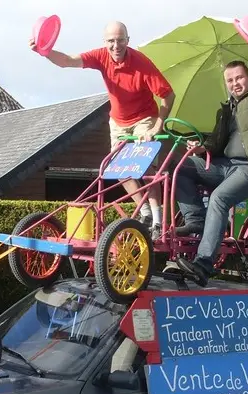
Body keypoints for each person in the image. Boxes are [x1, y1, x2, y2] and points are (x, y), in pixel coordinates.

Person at [29, 21, 175, 240]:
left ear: (128, 40)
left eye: (120, 40)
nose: (116, 46)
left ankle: (157, 220)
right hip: (118, 121)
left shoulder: (141, 63)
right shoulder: (101, 56)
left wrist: (157, 125)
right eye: (111, 41)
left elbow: (168, 95)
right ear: (105, 42)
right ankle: (143, 212)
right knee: (120, 169)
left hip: (144, 118)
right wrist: (45, 51)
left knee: (145, 170)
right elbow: (68, 61)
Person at [173, 28, 248, 286]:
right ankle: (195, 221)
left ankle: (204, 265)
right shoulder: (227, 108)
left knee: (218, 199)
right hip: (226, 167)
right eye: (230, 80)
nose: (235, 83)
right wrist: (201, 147)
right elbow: (216, 144)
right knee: (180, 168)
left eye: (239, 78)